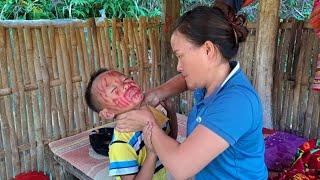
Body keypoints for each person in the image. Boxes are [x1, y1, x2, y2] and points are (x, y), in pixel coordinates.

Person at [115, 1, 268, 180]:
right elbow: (185, 81)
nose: (179, 66)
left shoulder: (236, 102)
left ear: (208, 50)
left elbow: (181, 167)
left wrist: (148, 122)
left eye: (180, 56)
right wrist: (157, 93)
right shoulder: (212, 83)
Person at [85, 69, 177, 180]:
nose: (125, 85)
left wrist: (171, 112)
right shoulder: (121, 144)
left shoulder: (153, 113)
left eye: (125, 79)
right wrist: (152, 154)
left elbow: (171, 141)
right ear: (108, 113)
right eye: (115, 90)